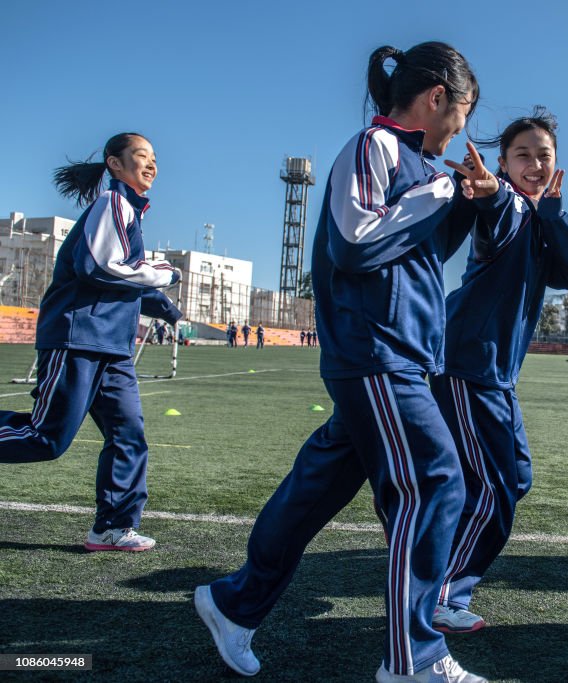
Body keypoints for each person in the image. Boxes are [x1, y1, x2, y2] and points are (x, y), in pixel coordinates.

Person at [194, 42, 489, 682]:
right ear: (439, 98)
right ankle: (414, 659)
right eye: (462, 115)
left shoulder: (417, 163)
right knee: (436, 483)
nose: (460, 134)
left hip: (399, 354)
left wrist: (464, 202)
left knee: (316, 488)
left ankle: (233, 605)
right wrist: (442, 190)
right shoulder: (373, 147)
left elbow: (417, 252)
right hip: (376, 353)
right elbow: (357, 241)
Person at [431, 108, 568, 634]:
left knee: (512, 478)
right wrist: (489, 187)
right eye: (522, 156)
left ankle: (425, 542)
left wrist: (553, 211)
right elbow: (501, 207)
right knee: (495, 486)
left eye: (543, 156)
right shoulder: (509, 209)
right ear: (503, 162)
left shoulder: (544, 220)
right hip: (468, 365)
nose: (534, 164)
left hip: (495, 376)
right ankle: (441, 594)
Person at [0, 132, 180, 551]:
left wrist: (162, 304)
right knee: (46, 439)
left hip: (112, 347)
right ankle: (114, 525)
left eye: (154, 158)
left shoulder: (129, 212)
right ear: (115, 164)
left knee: (128, 435)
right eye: (141, 156)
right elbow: (99, 266)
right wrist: (164, 273)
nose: (151, 165)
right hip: (78, 338)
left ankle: (113, 527)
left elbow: (116, 276)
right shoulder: (112, 204)